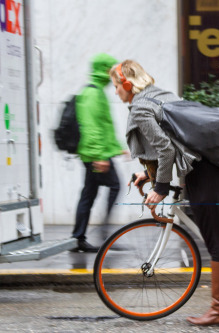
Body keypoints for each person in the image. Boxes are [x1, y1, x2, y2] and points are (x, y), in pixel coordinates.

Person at [109, 59, 219, 326]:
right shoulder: (160, 95)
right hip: (209, 165)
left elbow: (166, 149)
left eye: (115, 85)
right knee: (211, 224)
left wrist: (159, 188)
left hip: (203, 169)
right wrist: (147, 175)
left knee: (213, 235)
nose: (115, 92)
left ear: (127, 84)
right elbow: (174, 142)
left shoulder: (139, 108)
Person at [71, 53, 123, 252]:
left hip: (96, 152)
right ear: (105, 70)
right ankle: (104, 234)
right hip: (95, 154)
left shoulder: (97, 91)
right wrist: (100, 156)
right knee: (114, 186)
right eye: (113, 70)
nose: (115, 75)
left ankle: (80, 238)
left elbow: (104, 126)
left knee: (89, 194)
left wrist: (116, 147)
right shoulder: (92, 93)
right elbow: (91, 127)